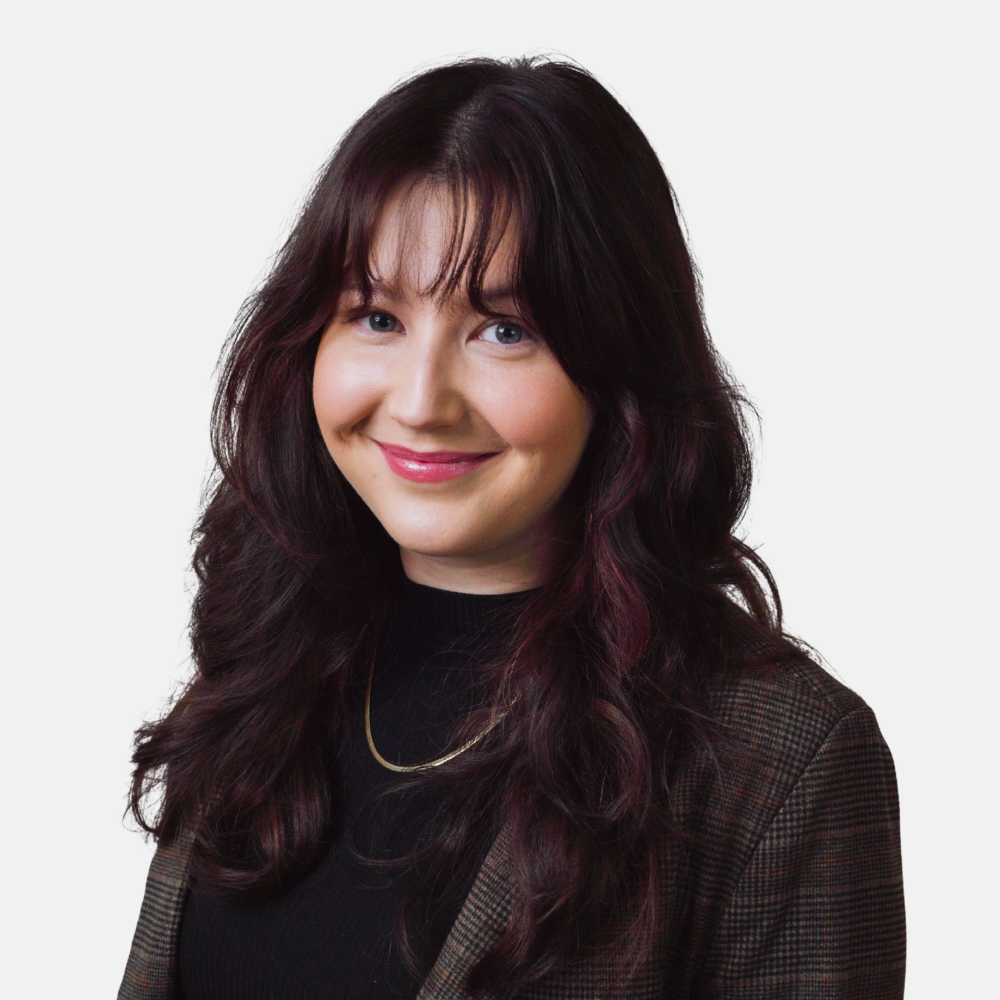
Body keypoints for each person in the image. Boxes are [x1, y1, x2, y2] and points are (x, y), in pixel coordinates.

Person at [119, 56, 905, 1000]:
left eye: (505, 331)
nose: (420, 403)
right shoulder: (266, 670)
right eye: (376, 317)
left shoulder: (780, 759)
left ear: (620, 367)